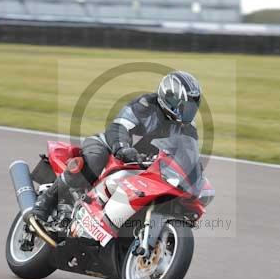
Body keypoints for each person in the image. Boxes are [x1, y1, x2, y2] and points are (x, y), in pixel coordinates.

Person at [28, 70, 202, 222]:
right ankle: (47, 200)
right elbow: (119, 127)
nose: (188, 112)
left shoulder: (186, 127)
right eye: (185, 106)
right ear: (170, 98)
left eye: (192, 107)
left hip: (144, 167)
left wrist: (194, 171)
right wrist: (122, 147)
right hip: (110, 148)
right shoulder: (145, 105)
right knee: (95, 159)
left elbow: (189, 153)